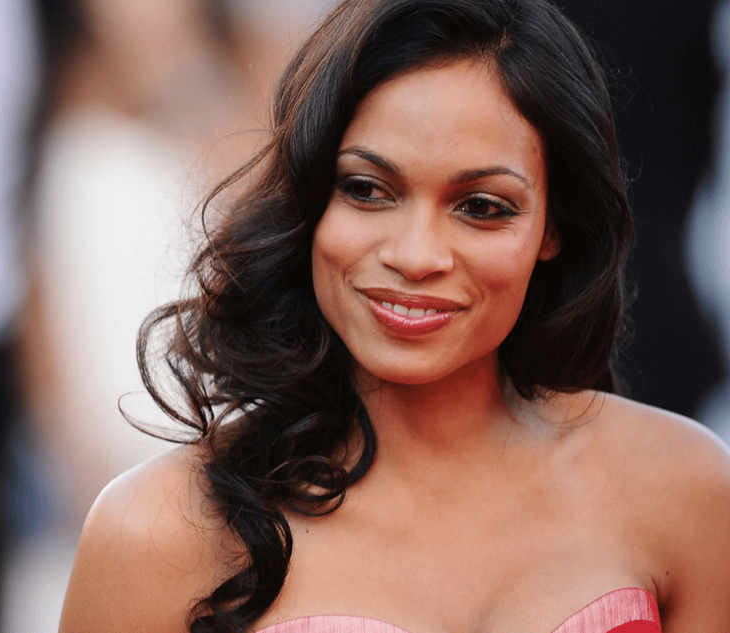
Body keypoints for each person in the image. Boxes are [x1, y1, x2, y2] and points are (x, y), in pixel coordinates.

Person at [58, 1, 730, 632]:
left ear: (555, 226)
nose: (415, 255)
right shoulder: (156, 529)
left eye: (482, 206)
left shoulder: (685, 487)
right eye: (367, 190)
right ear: (309, 200)